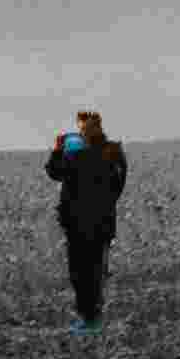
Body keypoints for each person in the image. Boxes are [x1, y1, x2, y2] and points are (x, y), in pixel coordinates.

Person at [44, 106, 130, 335]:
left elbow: (54, 171)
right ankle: (93, 318)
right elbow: (119, 183)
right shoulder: (112, 152)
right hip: (102, 222)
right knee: (96, 271)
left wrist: (58, 149)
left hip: (78, 223)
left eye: (82, 129)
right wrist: (107, 203)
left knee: (82, 273)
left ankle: (89, 320)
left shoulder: (77, 156)